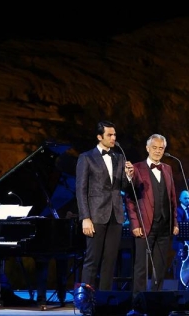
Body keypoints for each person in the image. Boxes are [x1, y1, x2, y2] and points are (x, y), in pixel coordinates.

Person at [76, 120, 134, 290]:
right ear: (99, 137)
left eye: (114, 134)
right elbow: (81, 189)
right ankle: (86, 299)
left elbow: (124, 187)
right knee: (92, 259)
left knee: (110, 260)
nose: (113, 138)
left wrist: (129, 177)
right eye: (109, 135)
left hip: (115, 215)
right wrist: (85, 218)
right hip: (95, 215)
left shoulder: (119, 157)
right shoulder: (86, 157)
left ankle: (104, 300)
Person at [124, 134, 179, 301]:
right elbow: (130, 198)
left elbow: (172, 198)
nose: (157, 151)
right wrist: (134, 224)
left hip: (164, 225)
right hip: (144, 224)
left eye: (161, 148)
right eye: (154, 147)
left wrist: (174, 222)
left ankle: (156, 299)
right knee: (141, 266)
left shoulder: (168, 169)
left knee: (160, 265)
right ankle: (138, 301)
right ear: (147, 148)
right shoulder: (137, 167)